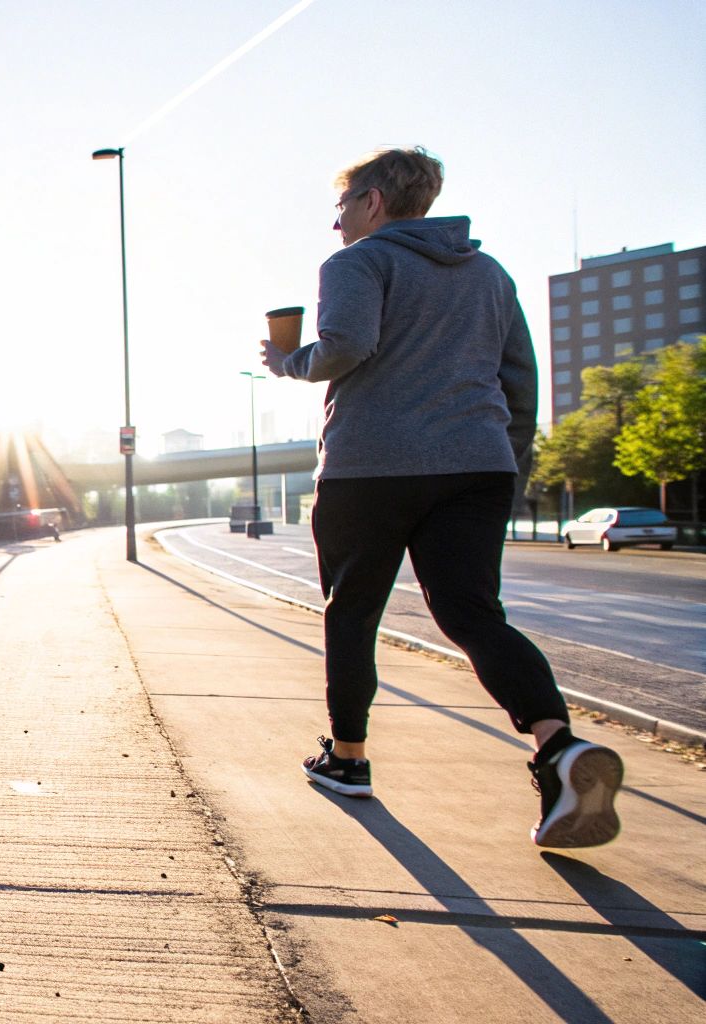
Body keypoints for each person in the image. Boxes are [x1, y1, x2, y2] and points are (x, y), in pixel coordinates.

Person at [260, 146, 623, 848]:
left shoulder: (358, 263)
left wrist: (289, 364)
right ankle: (557, 746)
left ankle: (349, 758)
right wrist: (501, 462)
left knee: (354, 610)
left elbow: (344, 347)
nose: (336, 225)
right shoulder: (488, 273)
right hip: (476, 467)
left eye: (341, 208)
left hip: (370, 469)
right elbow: (520, 378)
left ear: (371, 202)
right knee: (473, 614)